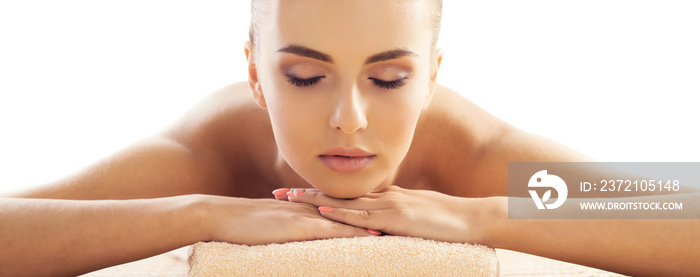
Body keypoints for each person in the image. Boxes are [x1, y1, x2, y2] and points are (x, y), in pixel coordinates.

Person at [0, 0, 697, 276]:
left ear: (430, 78)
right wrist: (202, 211)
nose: (350, 119)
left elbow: (684, 210)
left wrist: (475, 213)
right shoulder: (210, 148)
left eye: (389, 80)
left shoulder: (469, 149)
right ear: (253, 74)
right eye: (304, 76)